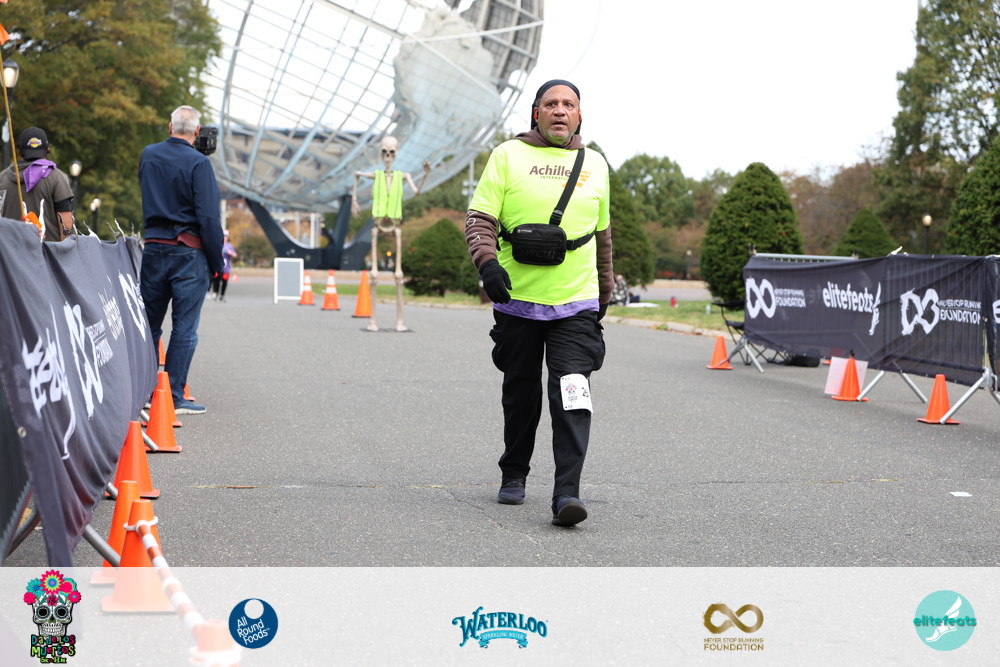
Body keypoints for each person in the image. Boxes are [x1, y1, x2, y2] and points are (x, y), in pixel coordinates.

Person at [465, 79, 613, 527]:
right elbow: (480, 218)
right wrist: (487, 263)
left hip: (576, 304)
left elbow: (603, 237)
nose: (560, 110)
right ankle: (514, 472)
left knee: (573, 394)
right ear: (536, 113)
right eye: (551, 103)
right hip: (517, 301)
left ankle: (568, 493)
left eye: (569, 104)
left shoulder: (596, 164)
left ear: (580, 115)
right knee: (521, 393)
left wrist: (604, 292)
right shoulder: (507, 155)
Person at [139, 105, 223, 414]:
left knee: (149, 326)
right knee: (184, 328)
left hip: (154, 247)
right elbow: (209, 218)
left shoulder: (148, 155)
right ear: (197, 131)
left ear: (169, 126)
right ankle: (172, 397)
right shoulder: (199, 163)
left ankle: (143, 391)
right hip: (189, 251)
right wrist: (217, 262)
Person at [0, 127, 75, 241]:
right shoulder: (56, 177)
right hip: (46, 251)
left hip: (8, 251)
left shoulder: (2, 178)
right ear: (47, 150)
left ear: (20, 151)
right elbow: (67, 226)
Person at [210, 229, 238, 301]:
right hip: (218, 266)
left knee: (224, 281)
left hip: (226, 267)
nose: (225, 237)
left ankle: (222, 295)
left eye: (226, 236)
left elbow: (235, 255)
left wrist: (230, 253)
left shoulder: (229, 246)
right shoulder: (218, 244)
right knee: (216, 280)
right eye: (223, 236)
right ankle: (215, 293)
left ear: (228, 237)